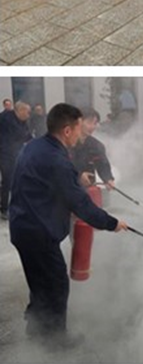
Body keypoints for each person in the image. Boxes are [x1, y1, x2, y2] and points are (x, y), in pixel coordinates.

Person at [9, 103, 127, 348]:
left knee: (39, 280)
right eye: (78, 128)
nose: (81, 132)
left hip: (22, 227)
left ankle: (36, 326)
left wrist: (77, 177)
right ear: (66, 130)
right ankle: (55, 340)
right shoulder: (56, 159)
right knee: (57, 284)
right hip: (39, 232)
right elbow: (81, 204)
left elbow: (50, 178)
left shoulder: (34, 147)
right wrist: (112, 223)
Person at [0, 101, 32, 219]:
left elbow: (28, 136)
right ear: (20, 110)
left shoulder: (23, 122)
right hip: (4, 154)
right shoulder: (5, 118)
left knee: (16, 180)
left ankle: (14, 204)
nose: (28, 114)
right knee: (8, 181)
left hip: (15, 154)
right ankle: (4, 209)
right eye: (27, 112)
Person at [70, 108, 115, 189]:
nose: (92, 127)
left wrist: (108, 179)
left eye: (95, 123)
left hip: (88, 190)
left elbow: (102, 164)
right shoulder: (64, 143)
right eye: (89, 122)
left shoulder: (96, 146)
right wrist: (79, 175)